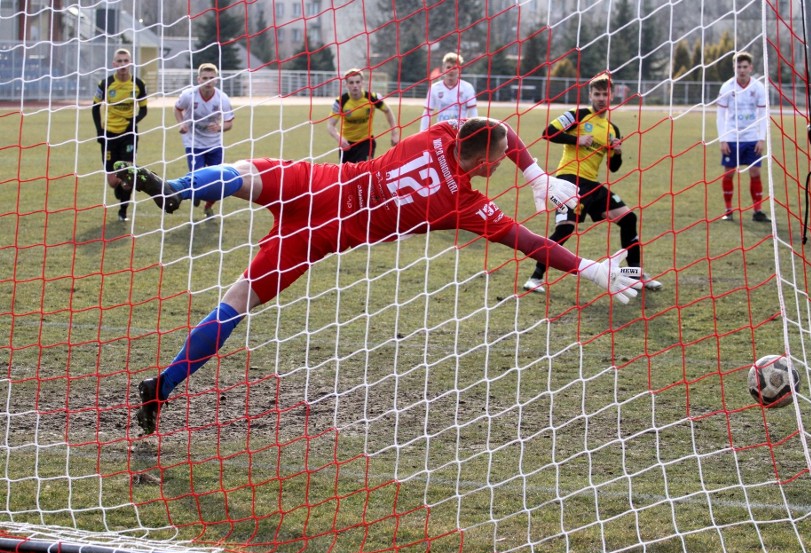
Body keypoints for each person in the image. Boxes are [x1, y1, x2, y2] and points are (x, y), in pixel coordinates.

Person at [114, 117, 640, 435]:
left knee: (246, 174)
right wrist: (591, 267)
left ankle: (177, 190)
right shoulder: (463, 205)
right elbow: (529, 241)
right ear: (484, 165)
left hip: (318, 184)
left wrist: (532, 170)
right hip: (318, 238)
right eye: (501, 162)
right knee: (235, 304)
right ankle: (160, 389)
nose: (503, 163)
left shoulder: (439, 134)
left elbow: (492, 130)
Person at [523, 72, 663, 294]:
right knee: (566, 229)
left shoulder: (612, 129)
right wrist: (576, 139)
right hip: (568, 181)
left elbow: (613, 167)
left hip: (592, 185)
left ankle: (636, 275)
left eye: (604, 94)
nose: (600, 98)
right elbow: (548, 133)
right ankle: (535, 278)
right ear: (590, 95)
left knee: (628, 218)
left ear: (611, 96)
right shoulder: (578, 115)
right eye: (596, 94)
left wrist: (616, 152)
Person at [92, 48, 148, 222]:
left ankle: (123, 211)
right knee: (112, 181)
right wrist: (100, 132)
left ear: (130, 63)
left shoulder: (138, 84)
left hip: (129, 134)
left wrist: (134, 121)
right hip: (109, 134)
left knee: (128, 174)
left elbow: (144, 109)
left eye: (126, 61)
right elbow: (95, 107)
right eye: (120, 61)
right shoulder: (105, 84)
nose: (123, 64)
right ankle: (120, 190)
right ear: (114, 64)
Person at [174, 63, 235, 218]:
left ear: (217, 80)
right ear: (199, 79)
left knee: (217, 181)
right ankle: (196, 194)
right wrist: (182, 123)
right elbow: (177, 108)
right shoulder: (189, 95)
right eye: (205, 78)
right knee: (197, 176)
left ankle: (208, 206)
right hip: (193, 143)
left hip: (215, 144)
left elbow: (229, 123)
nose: (208, 81)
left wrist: (220, 127)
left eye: (211, 78)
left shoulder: (222, 98)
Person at [716, 51, 769, 222]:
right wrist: (722, 138)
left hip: (752, 138)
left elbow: (762, 114)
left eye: (745, 67)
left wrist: (761, 138)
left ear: (751, 68)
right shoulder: (727, 87)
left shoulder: (758, 87)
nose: (742, 70)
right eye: (738, 66)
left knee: (755, 172)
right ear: (734, 67)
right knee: (729, 173)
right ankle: (728, 210)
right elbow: (720, 115)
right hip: (732, 137)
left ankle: (757, 211)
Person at [326, 68, 399, 163]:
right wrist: (339, 138)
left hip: (366, 142)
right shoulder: (340, 101)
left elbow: (387, 111)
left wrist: (394, 133)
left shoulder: (372, 98)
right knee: (347, 176)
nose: (355, 86)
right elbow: (330, 125)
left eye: (357, 82)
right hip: (347, 144)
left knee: (364, 173)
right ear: (346, 84)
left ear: (362, 83)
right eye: (351, 83)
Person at [419, 52, 477, 131]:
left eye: (455, 68)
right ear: (443, 69)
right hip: (441, 130)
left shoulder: (467, 88)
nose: (451, 71)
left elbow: (473, 113)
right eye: (448, 67)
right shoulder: (434, 88)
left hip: (460, 131)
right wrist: (423, 133)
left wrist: (474, 132)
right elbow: (427, 113)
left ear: (459, 70)